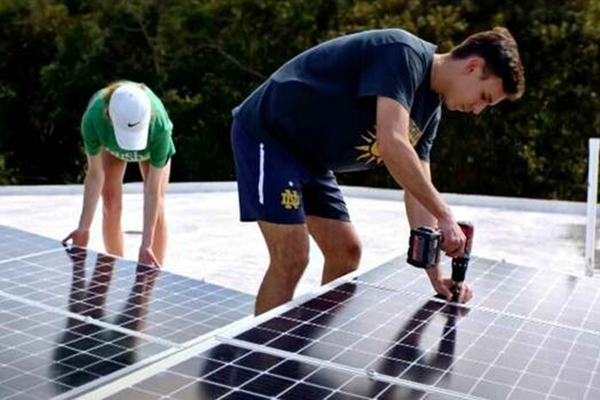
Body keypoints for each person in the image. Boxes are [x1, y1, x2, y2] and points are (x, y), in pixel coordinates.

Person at [231, 27, 525, 315]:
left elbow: (418, 190)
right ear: (473, 66)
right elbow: (393, 143)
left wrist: (435, 274)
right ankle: (259, 355)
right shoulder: (401, 53)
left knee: (346, 253)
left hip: (311, 159)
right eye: (485, 97)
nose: (477, 110)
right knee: (293, 256)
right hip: (270, 136)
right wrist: (447, 215)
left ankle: (300, 346)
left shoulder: (429, 113)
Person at [63, 81, 175, 267]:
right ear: (108, 116)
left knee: (158, 211)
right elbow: (94, 175)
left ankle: (153, 277)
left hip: (150, 148)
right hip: (112, 146)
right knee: (110, 202)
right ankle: (117, 268)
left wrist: (146, 245)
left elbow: (152, 191)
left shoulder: (160, 127)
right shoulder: (94, 118)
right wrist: (84, 228)